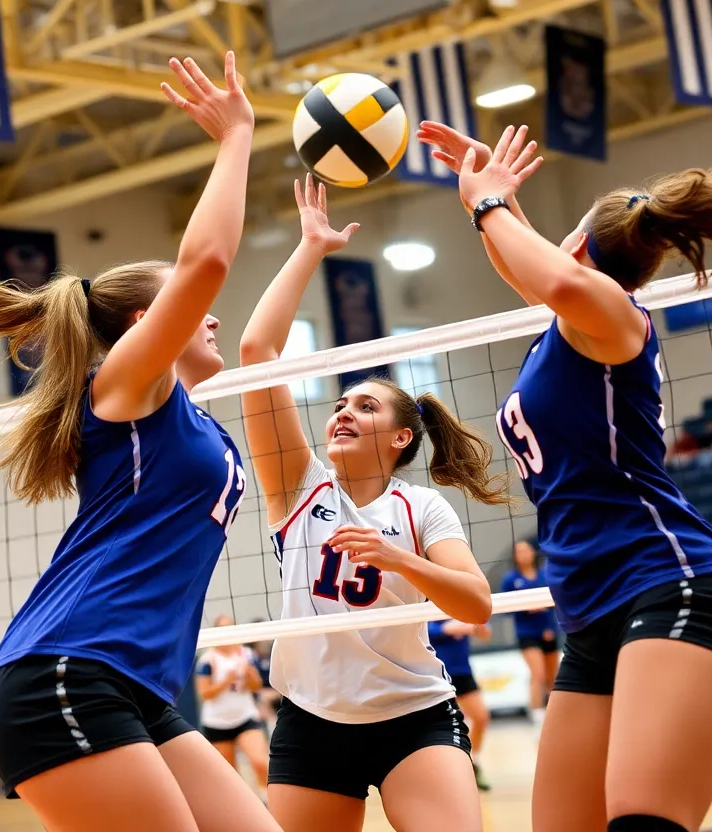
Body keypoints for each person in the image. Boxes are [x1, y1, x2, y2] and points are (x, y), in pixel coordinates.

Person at [419, 119, 712, 832]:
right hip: (593, 612)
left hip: (670, 584)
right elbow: (532, 272)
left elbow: (546, 271)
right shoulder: (567, 326)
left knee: (643, 822)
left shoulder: (613, 314)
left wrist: (490, 202)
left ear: (579, 248)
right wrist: (481, 200)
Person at [0, 53, 279, 832]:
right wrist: (236, 140)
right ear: (144, 327)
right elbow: (207, 262)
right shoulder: (128, 389)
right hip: (66, 671)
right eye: (191, 309)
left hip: (135, 685)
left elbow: (240, 319)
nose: (212, 316)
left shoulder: (192, 422)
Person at [239, 174, 505, 832]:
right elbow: (256, 351)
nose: (343, 414)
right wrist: (309, 248)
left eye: (365, 406)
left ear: (402, 436)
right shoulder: (297, 488)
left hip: (413, 713)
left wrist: (399, 560)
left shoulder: (421, 510)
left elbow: (475, 603)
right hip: (310, 719)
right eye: (338, 405)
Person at [196, 616, 269, 794]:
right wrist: (226, 681)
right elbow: (204, 694)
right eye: (223, 628)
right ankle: (247, 813)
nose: (227, 632)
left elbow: (257, 686)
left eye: (230, 627)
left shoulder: (246, 654)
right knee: (231, 779)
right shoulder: (208, 660)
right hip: (217, 723)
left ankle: (268, 804)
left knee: (260, 762)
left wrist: (249, 674)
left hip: (245, 717)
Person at [427, 618, 493, 790]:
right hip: (437, 674)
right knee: (442, 725)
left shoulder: (458, 607)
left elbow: (485, 632)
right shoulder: (428, 603)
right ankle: (441, 773)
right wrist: (447, 628)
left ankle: (473, 762)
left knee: (481, 717)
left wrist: (478, 627)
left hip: (462, 671)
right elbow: (425, 629)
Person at [500, 540, 559, 722]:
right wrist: (526, 607)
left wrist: (550, 627)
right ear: (515, 556)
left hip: (548, 632)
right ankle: (537, 718)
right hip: (527, 633)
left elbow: (555, 602)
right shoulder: (511, 579)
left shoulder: (544, 575)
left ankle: (556, 717)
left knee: (553, 680)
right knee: (538, 674)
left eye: (526, 550)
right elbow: (502, 607)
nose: (523, 554)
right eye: (519, 551)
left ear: (532, 553)